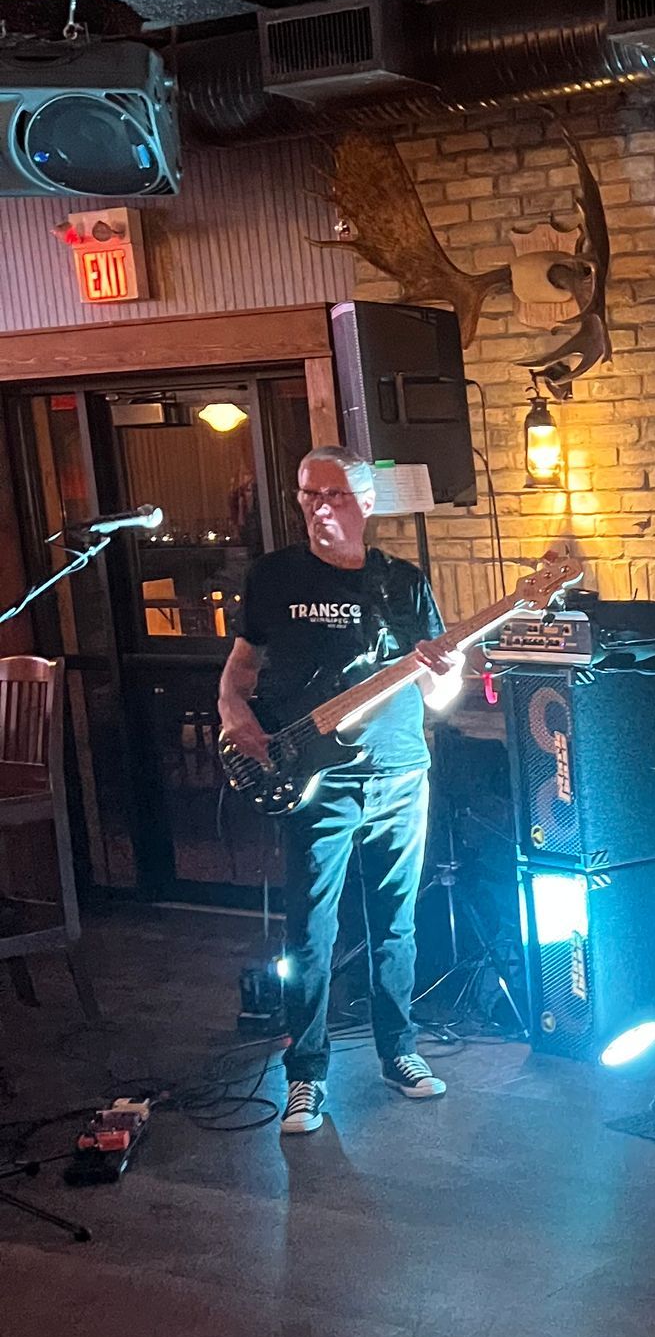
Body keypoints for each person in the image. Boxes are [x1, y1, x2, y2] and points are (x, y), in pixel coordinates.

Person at [219, 447, 463, 1136]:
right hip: (312, 776)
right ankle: (305, 1073)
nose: (320, 508)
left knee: (396, 923)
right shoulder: (273, 577)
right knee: (310, 926)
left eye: (336, 495)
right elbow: (240, 668)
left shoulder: (402, 583)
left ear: (367, 503)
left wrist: (446, 669)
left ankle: (400, 1052)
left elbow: (440, 696)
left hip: (398, 771)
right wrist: (233, 713)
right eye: (309, 495)